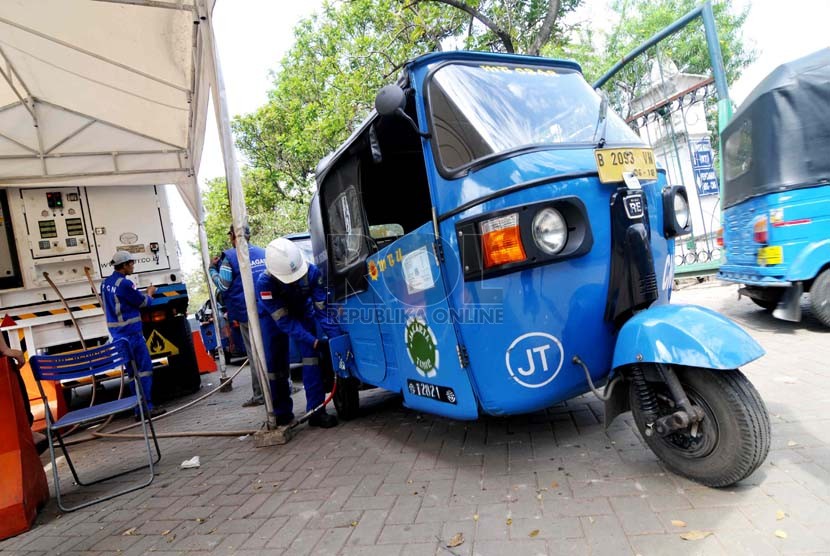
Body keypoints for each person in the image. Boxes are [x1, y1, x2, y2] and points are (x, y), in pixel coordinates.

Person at [256, 237, 340, 428]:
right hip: (272, 319)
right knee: (275, 365)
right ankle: (281, 413)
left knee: (312, 359)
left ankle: (316, 411)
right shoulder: (265, 285)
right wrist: (313, 340)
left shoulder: (311, 272)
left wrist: (336, 340)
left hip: (303, 311)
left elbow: (323, 310)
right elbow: (284, 322)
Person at [101, 251, 165, 420]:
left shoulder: (106, 283)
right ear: (124, 265)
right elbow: (143, 302)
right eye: (131, 263)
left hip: (118, 336)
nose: (133, 266)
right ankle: (146, 408)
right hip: (132, 336)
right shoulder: (125, 284)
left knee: (132, 373)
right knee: (143, 371)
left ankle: (138, 409)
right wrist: (150, 292)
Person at [209, 225, 268, 407]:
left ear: (233, 237)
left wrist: (212, 270)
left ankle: (260, 395)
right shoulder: (262, 252)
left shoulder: (231, 257)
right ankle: (285, 386)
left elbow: (224, 285)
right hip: (267, 308)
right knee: (270, 350)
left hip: (247, 312)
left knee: (255, 354)